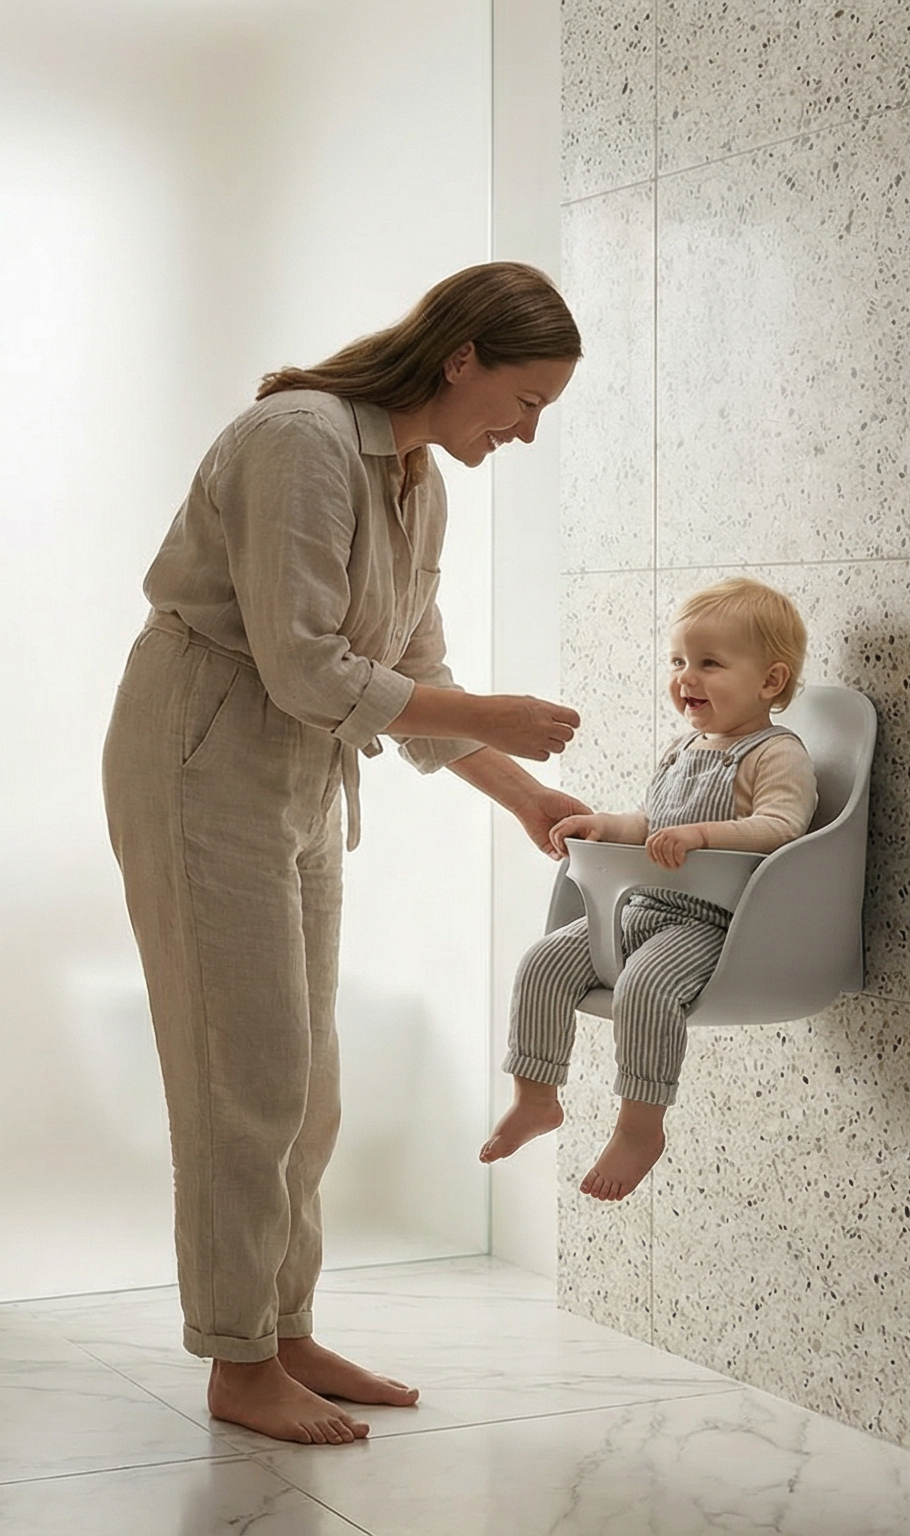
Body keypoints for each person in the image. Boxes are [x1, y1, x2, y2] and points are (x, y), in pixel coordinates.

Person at [102, 262, 588, 1447]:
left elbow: (412, 679)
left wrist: (525, 797)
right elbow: (308, 669)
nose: (525, 434)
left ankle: (285, 1328)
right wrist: (493, 721)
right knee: (244, 1074)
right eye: (524, 403)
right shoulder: (302, 441)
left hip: (300, 772)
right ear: (462, 357)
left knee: (307, 1082)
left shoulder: (419, 481)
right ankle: (236, 1359)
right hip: (200, 754)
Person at [480, 578, 818, 1201]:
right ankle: (536, 1096)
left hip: (714, 923)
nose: (687, 677)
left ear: (770, 682)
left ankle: (640, 1126)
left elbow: (781, 829)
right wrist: (605, 826)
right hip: (644, 908)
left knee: (645, 987)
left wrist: (703, 836)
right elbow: (650, 823)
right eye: (679, 661)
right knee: (544, 960)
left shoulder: (778, 755)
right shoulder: (682, 748)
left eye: (710, 663)